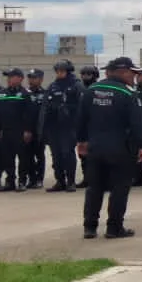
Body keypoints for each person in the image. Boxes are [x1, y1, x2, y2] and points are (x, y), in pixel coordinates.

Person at [76, 56, 142, 239]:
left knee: (94, 188)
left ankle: (89, 227)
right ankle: (114, 228)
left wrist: (81, 141)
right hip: (121, 149)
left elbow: (81, 119)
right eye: (133, 73)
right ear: (123, 72)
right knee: (119, 189)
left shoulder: (91, 91)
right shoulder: (128, 94)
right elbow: (137, 123)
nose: (134, 77)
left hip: (95, 148)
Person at [0, 68, 35, 192]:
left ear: (20, 78)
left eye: (12, 76)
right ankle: (10, 181)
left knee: (23, 158)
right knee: (7, 158)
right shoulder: (2, 93)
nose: (9, 79)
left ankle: (22, 181)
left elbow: (29, 114)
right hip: (6, 131)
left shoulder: (25, 94)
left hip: (20, 131)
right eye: (8, 77)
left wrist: (28, 130)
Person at [43, 60, 83, 193]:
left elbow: (81, 107)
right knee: (56, 155)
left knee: (67, 154)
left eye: (62, 71)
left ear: (68, 71)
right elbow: (46, 104)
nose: (59, 73)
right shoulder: (53, 86)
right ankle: (60, 181)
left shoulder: (76, 85)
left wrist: (68, 110)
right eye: (58, 71)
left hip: (69, 125)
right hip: (54, 126)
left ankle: (70, 182)